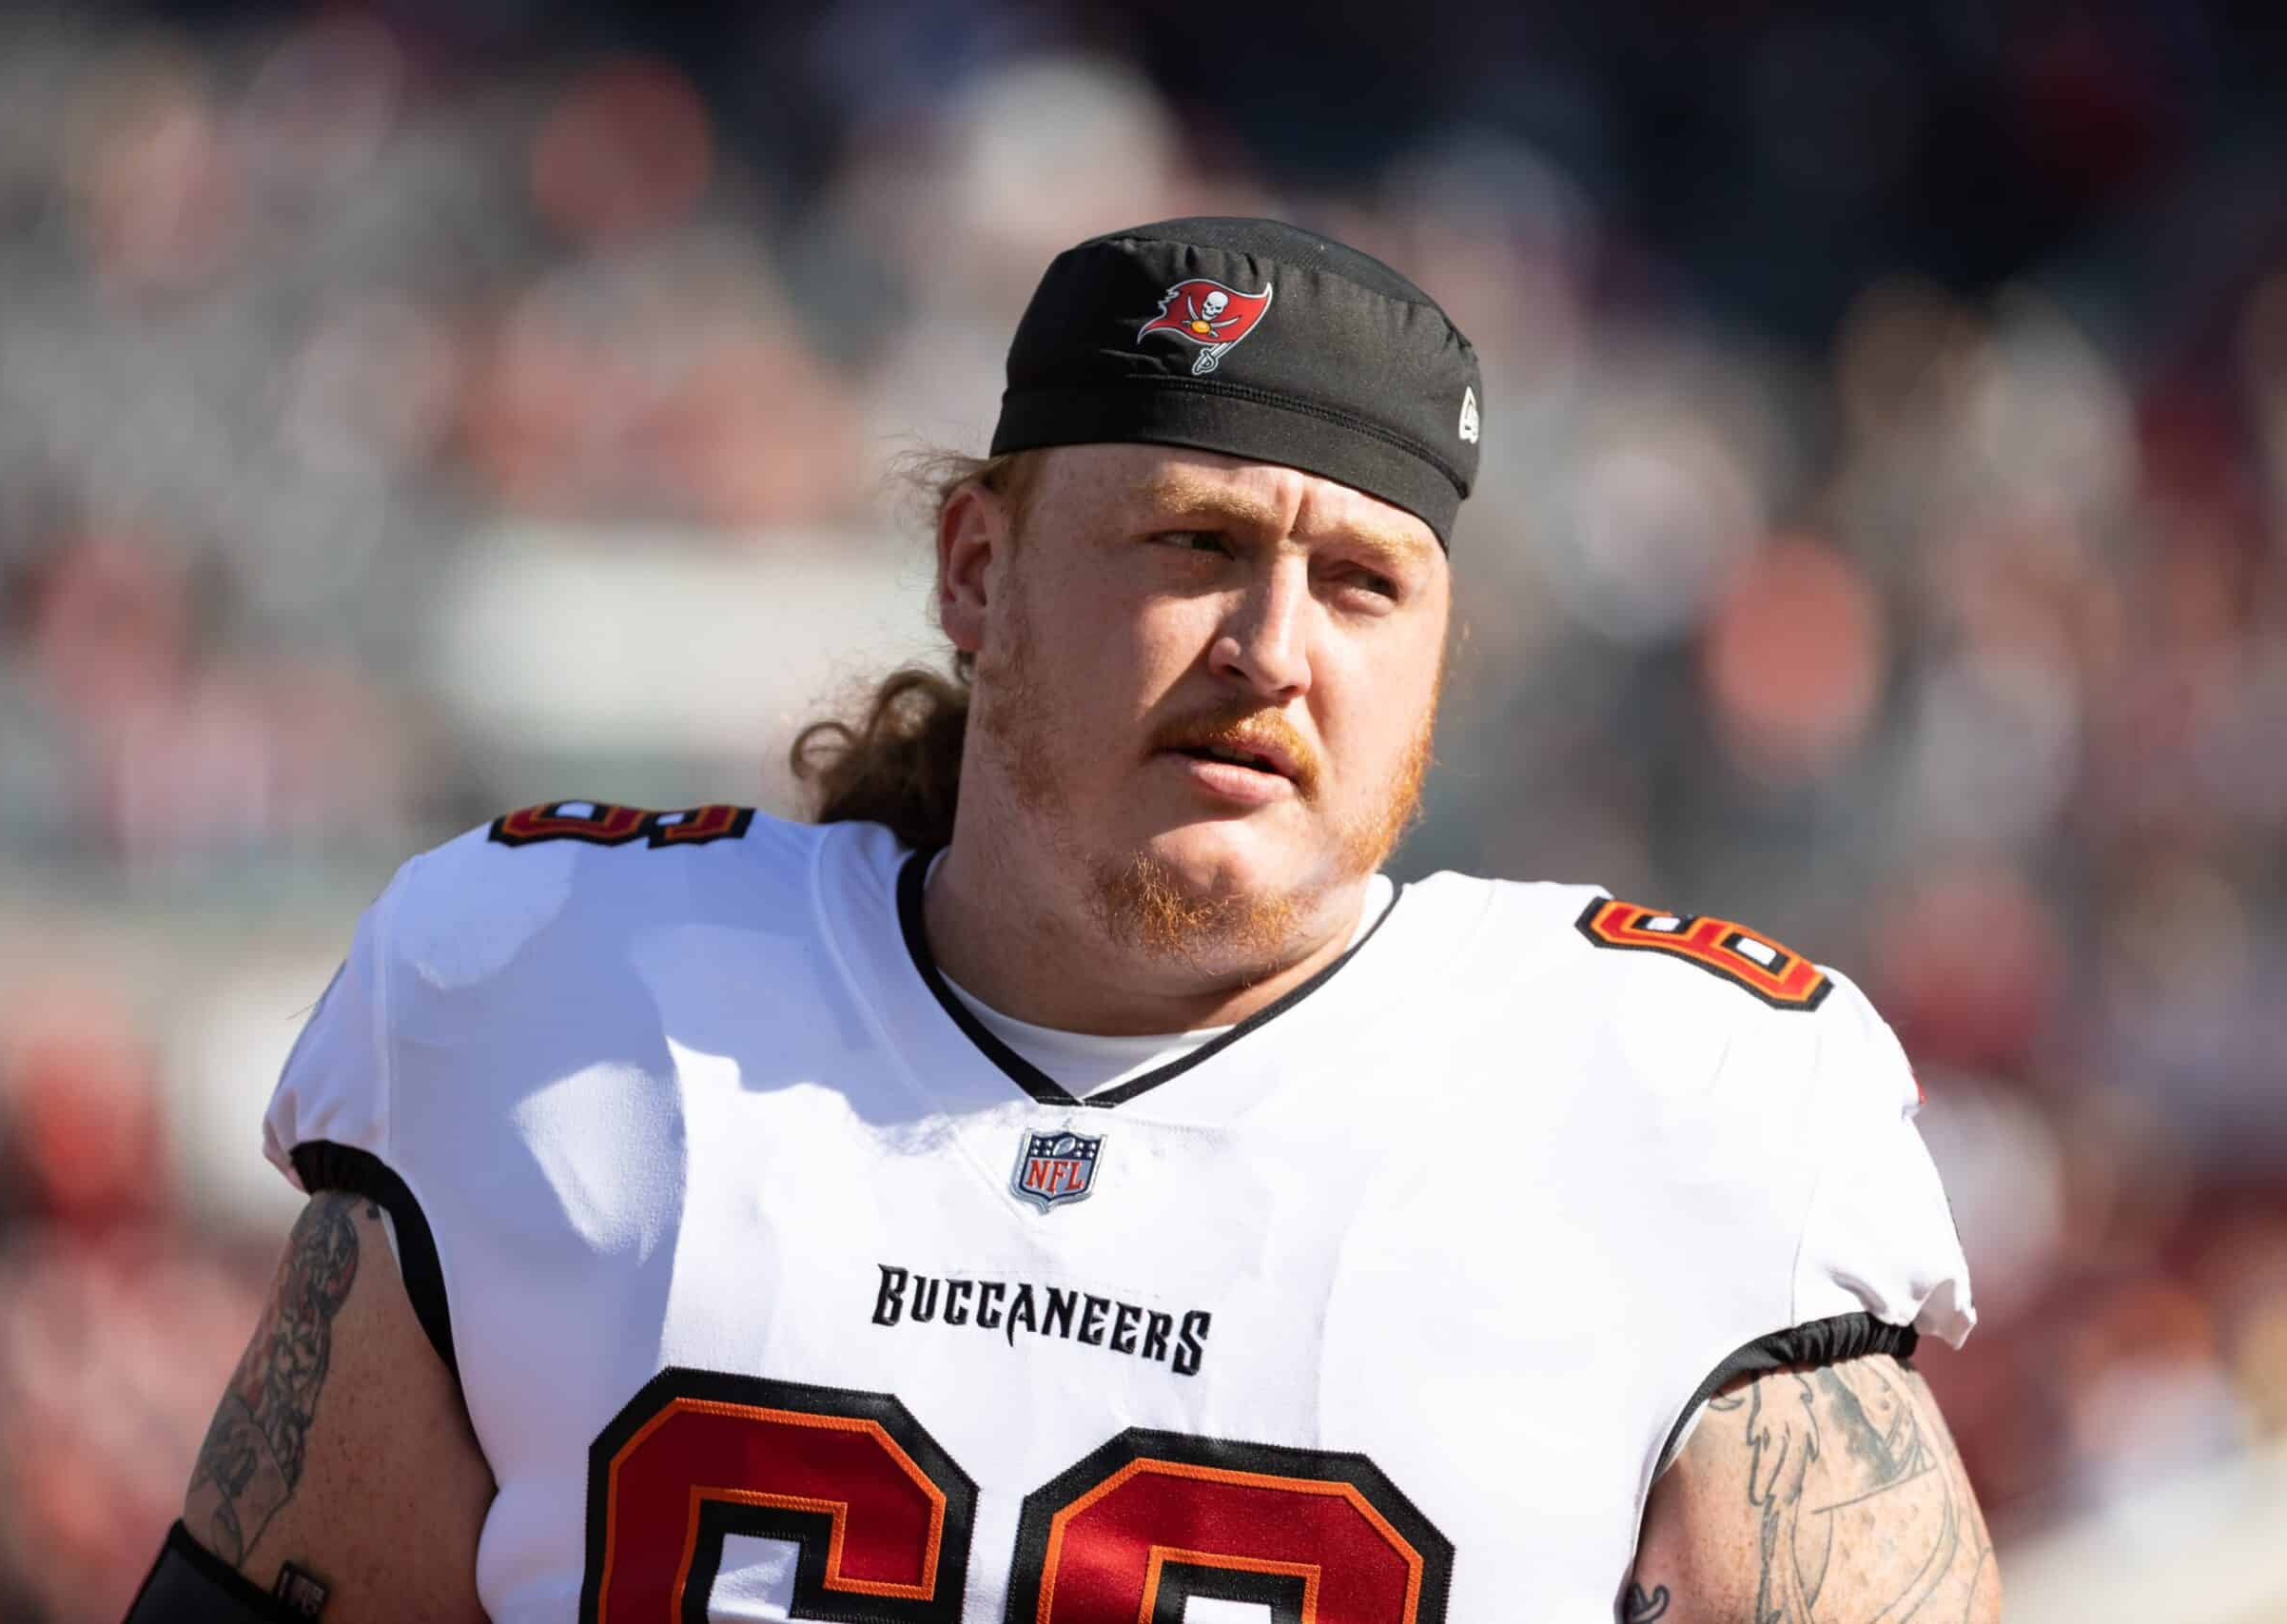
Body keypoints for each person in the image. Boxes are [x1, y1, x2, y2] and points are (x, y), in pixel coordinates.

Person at [127, 218, 1997, 1624]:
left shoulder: (1684, 1107)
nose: (1272, 648)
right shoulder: (568, 991)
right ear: (975, 567)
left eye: (1360, 582)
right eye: (1190, 543)